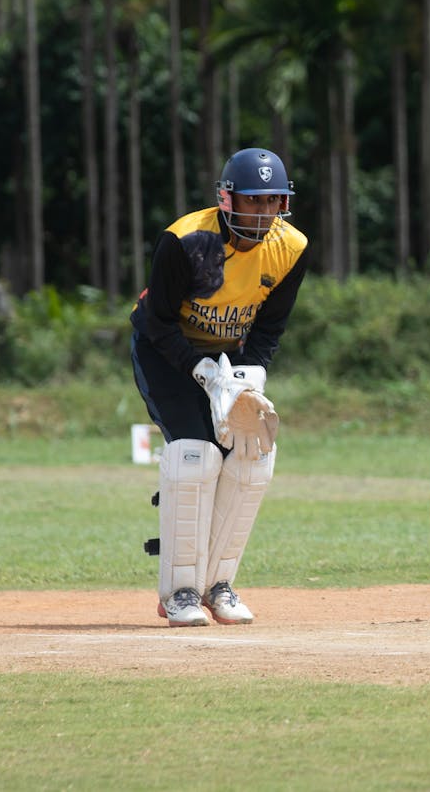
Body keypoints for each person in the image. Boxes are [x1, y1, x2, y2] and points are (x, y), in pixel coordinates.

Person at [130, 147, 309, 627]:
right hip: (168, 355)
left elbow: (268, 329)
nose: (265, 213)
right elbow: (158, 322)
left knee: (253, 454)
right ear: (227, 200)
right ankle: (180, 593)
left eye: (273, 201)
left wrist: (246, 380)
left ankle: (218, 585)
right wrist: (201, 371)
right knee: (195, 455)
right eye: (254, 201)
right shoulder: (185, 241)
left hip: (231, 359)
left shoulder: (291, 248)